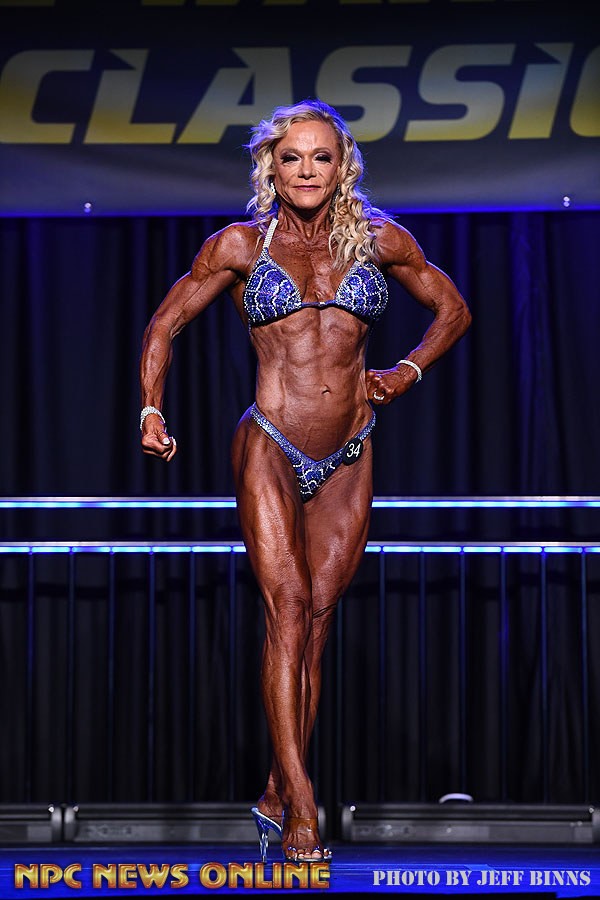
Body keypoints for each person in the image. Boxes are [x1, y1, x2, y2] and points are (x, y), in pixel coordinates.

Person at [139, 98, 471, 862]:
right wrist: (151, 407)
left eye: (321, 156)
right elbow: (165, 323)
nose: (307, 170)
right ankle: (303, 803)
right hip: (270, 440)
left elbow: (452, 309)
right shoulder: (238, 246)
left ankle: (273, 788)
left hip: (351, 448)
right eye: (292, 157)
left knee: (316, 625)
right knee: (287, 610)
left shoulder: (382, 239)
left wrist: (408, 370)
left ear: (342, 164)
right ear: (271, 167)